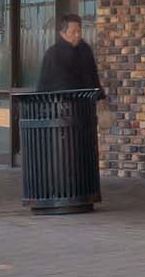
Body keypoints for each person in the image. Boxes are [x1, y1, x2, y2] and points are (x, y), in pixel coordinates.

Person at [35, 13, 104, 204]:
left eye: (79, 31)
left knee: (82, 154)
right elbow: (49, 85)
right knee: (63, 156)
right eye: (73, 31)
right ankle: (61, 191)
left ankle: (85, 193)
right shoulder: (53, 54)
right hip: (59, 113)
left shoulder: (85, 50)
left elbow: (92, 77)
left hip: (83, 113)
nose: (77, 35)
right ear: (63, 33)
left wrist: (99, 98)